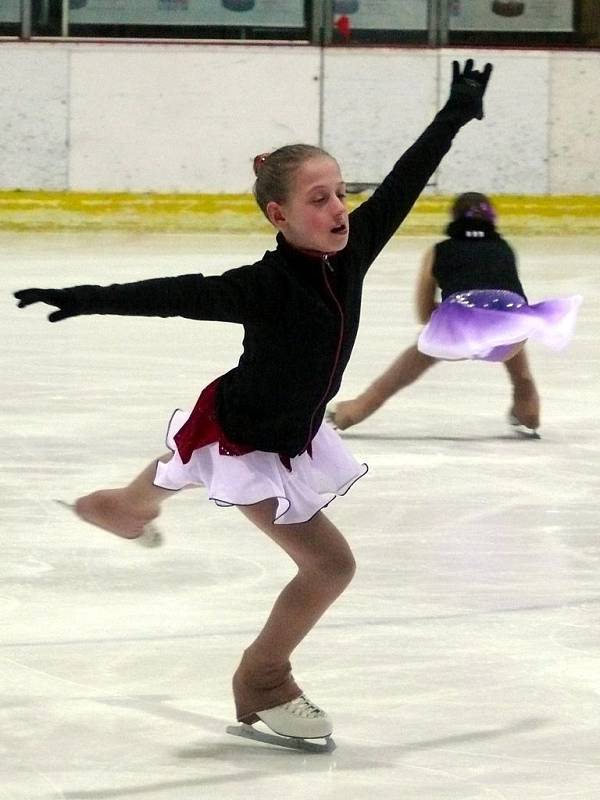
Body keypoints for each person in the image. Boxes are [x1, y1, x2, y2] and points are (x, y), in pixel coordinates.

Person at [13, 59, 492, 749]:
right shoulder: (265, 286)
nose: (338, 209)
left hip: (273, 428)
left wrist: (455, 114)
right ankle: (262, 679)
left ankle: (114, 511)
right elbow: (176, 293)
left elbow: (406, 180)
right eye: (318, 199)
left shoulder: (350, 255)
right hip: (245, 439)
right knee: (330, 566)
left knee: (143, 496)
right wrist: (84, 298)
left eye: (339, 194)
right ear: (280, 214)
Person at [328, 192, 582, 437]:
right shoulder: (504, 249)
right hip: (511, 336)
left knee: (420, 352)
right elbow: (510, 296)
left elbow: (424, 313)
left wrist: (454, 312)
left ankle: (356, 410)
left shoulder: (439, 251)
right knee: (507, 324)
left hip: (457, 330)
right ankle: (528, 408)